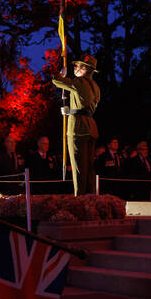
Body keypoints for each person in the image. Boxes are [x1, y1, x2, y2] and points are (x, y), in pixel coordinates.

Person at [52, 54, 100, 195]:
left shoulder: (79, 82)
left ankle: (80, 199)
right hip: (91, 127)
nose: (75, 67)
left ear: (84, 69)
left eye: (78, 65)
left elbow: (57, 81)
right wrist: (71, 111)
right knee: (89, 167)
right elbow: (87, 106)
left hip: (78, 128)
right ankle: (91, 197)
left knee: (79, 167)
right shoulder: (96, 87)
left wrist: (61, 73)